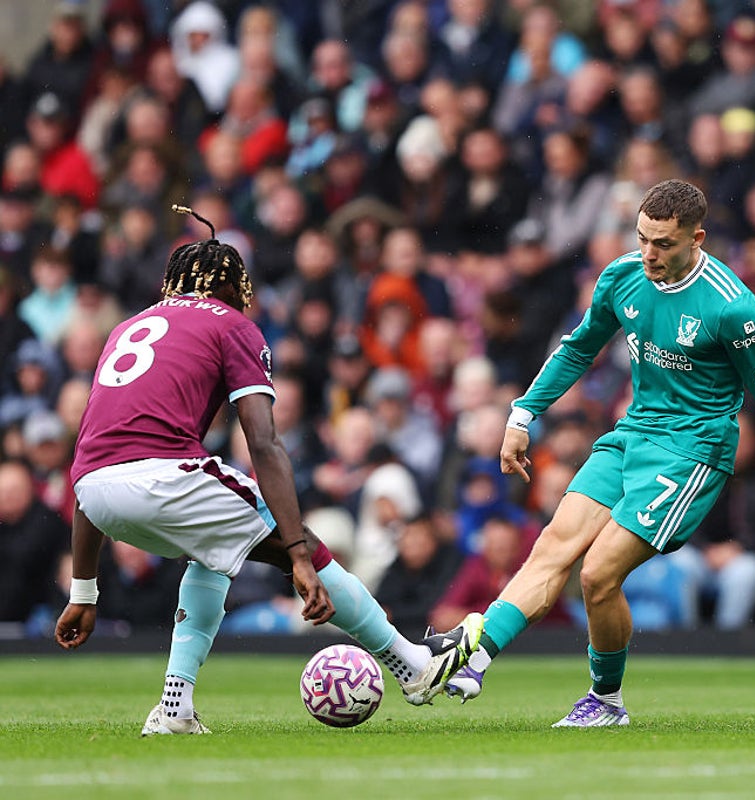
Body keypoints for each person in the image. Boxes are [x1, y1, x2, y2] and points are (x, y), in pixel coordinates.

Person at [53, 205, 481, 736]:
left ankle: (174, 708)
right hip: (164, 476)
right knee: (300, 544)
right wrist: (296, 554)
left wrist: (83, 593)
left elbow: (91, 463)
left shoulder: (123, 328)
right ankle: (411, 665)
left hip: (93, 493)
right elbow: (264, 440)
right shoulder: (233, 325)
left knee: (212, 558)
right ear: (231, 286)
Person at [412, 179, 755, 725]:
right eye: (642, 238)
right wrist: (521, 415)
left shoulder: (732, 308)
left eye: (663, 244)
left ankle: (605, 700)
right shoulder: (623, 275)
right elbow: (578, 347)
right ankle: (478, 654)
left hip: (693, 451)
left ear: (696, 238)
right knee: (552, 547)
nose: (649, 254)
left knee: (597, 574)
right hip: (631, 434)